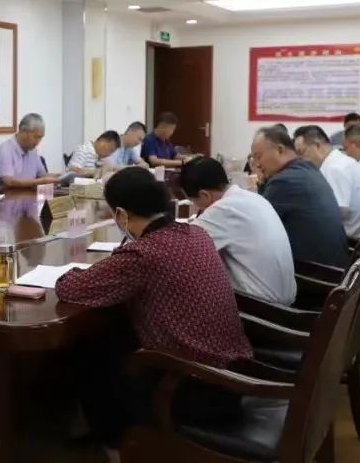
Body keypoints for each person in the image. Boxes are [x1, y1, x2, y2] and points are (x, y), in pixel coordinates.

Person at [55, 167, 252, 448]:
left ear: (121, 214)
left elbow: (70, 289)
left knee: (93, 346)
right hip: (232, 377)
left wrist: (75, 272)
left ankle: (116, 441)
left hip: (192, 390)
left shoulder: (144, 253)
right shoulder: (197, 234)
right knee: (116, 331)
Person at [180, 157, 296, 305]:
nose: (197, 207)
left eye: (194, 201)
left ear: (205, 195)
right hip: (286, 301)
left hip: (261, 307)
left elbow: (181, 251)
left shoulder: (223, 209)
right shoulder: (253, 198)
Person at [250, 126, 350, 268]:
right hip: (337, 266)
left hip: (316, 274)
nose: (257, 165)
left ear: (280, 150)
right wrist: (263, 181)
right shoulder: (308, 168)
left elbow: (256, 224)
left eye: (258, 157)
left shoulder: (284, 181)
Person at [293, 125, 360, 241]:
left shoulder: (334, 168)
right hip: (359, 232)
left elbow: (336, 212)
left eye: (301, 152)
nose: (300, 159)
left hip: (351, 239)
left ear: (317, 145)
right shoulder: (339, 160)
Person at [0, 113, 60, 189]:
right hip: (7, 195)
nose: (38, 142)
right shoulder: (4, 150)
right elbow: (9, 182)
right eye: (36, 137)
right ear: (23, 132)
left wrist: (60, 177)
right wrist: (41, 181)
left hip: (29, 195)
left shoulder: (33, 150)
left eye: (40, 138)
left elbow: (42, 175)